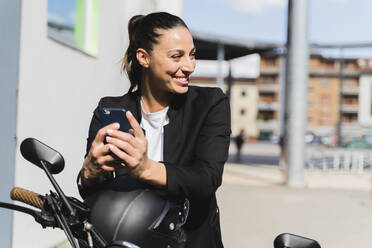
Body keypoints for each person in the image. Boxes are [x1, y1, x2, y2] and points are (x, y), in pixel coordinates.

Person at [77, 12, 231, 248]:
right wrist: (90, 171)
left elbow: (207, 179)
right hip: (120, 240)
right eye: (176, 56)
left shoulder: (210, 104)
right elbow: (92, 193)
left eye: (192, 55)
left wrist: (146, 168)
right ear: (144, 57)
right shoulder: (109, 109)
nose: (189, 66)